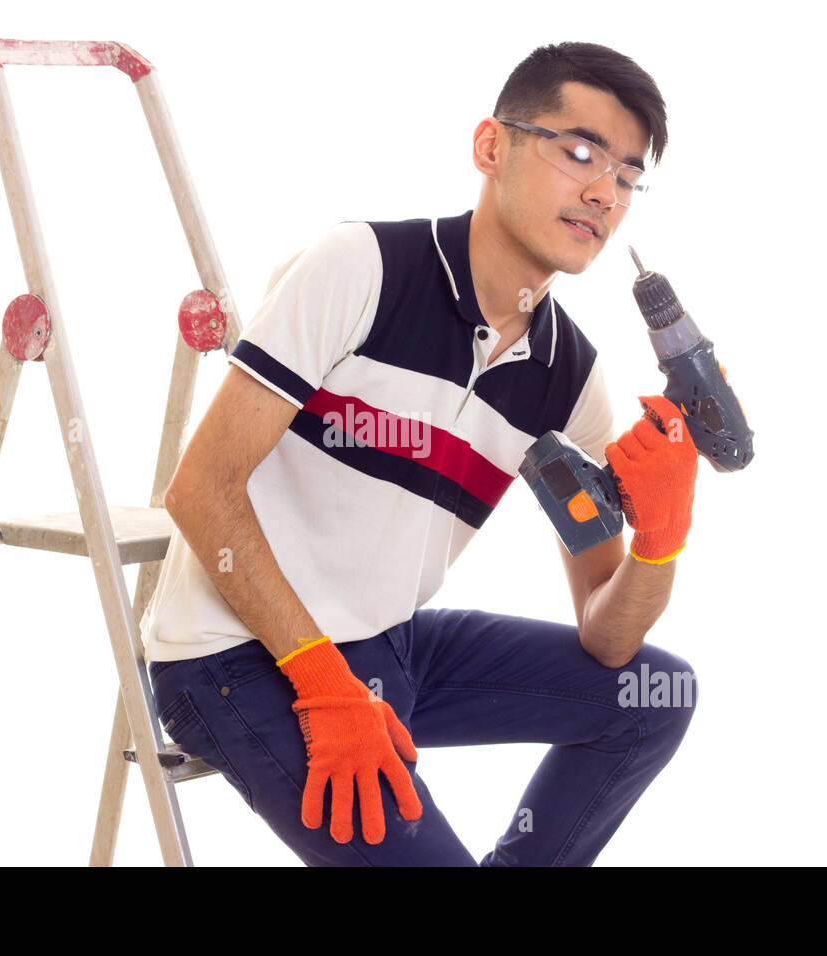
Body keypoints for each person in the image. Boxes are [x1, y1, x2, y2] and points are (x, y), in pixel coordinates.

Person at [142, 40, 699, 866]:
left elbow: (605, 638)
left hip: (388, 646)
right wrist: (326, 689)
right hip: (237, 656)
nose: (601, 191)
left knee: (656, 697)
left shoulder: (568, 380)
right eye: (579, 151)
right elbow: (202, 491)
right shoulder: (362, 270)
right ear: (491, 145)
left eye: (626, 175)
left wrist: (662, 542)